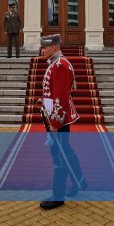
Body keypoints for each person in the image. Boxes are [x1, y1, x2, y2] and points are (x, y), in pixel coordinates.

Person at [39, 33, 87, 210]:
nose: (42, 50)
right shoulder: (57, 63)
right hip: (58, 116)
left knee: (59, 156)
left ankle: (58, 195)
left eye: (45, 47)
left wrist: (55, 123)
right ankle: (79, 181)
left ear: (54, 47)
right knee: (66, 150)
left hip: (59, 118)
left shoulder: (59, 66)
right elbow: (54, 93)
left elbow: (60, 98)